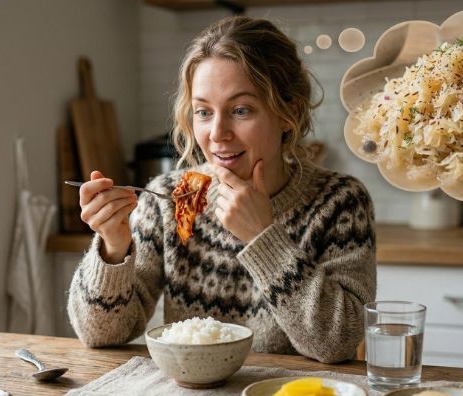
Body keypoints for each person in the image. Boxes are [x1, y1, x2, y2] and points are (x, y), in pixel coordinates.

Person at [69, 15, 376, 363]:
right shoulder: (172, 198)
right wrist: (113, 247)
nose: (217, 133)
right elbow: (102, 334)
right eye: (203, 112)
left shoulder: (340, 202)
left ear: (288, 113)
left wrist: (263, 238)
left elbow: (338, 342)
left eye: (241, 110)